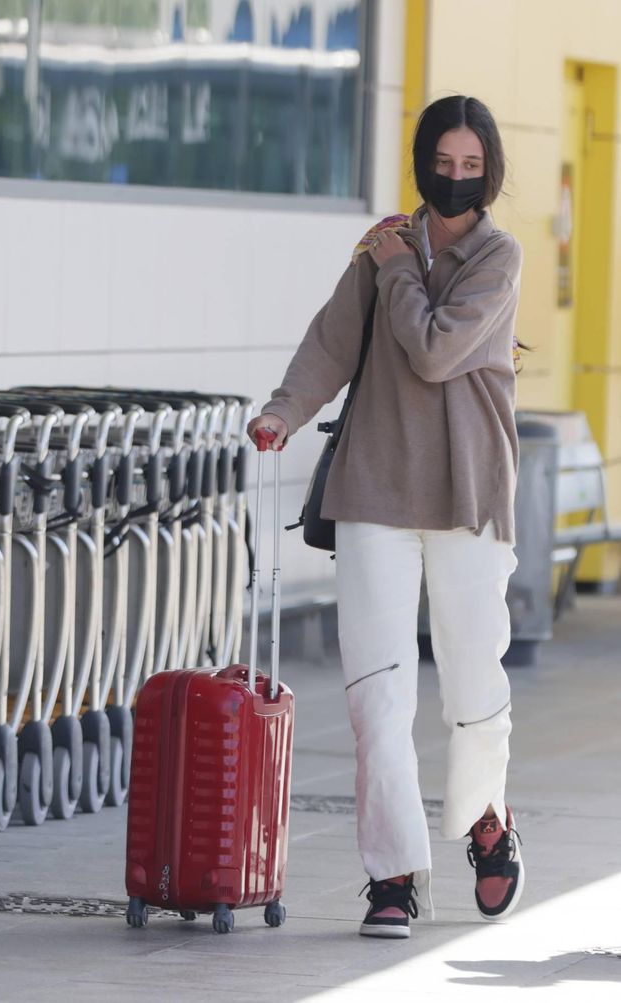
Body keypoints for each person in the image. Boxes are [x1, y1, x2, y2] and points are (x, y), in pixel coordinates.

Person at [248, 95, 525, 939]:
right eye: (444, 162)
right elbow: (333, 340)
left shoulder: (496, 255)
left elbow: (437, 348)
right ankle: (393, 871)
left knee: (474, 681)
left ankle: (485, 815)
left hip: (468, 492)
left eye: (472, 166)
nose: (455, 179)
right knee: (376, 690)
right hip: (373, 487)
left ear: (491, 171)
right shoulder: (379, 254)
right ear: (421, 161)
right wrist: (284, 410)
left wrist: (398, 259)